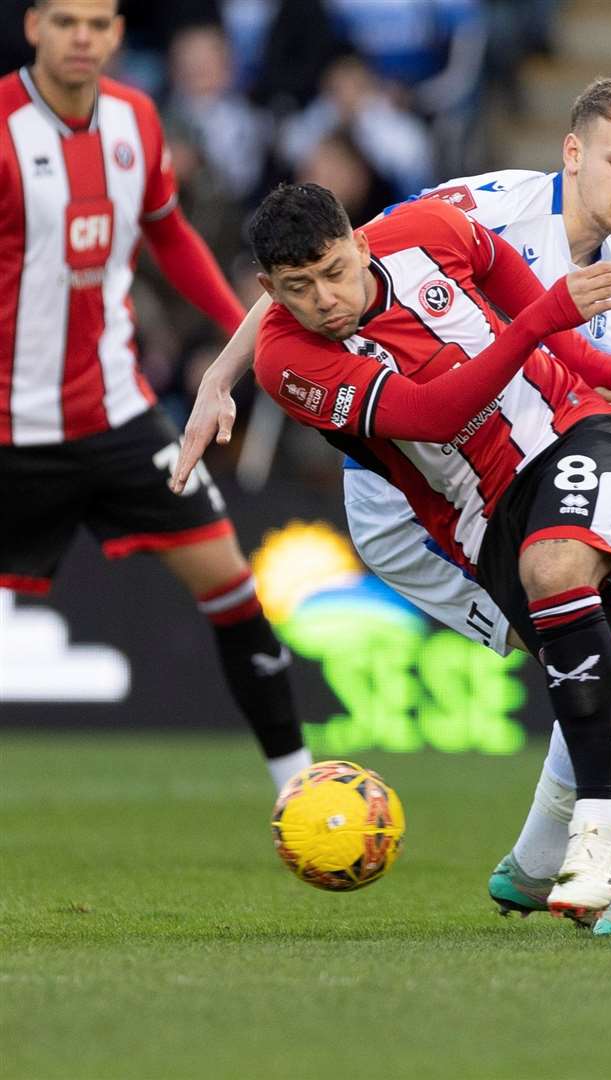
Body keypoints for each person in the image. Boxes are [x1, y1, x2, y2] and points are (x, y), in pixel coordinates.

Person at [177, 78, 611, 937]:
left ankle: (539, 870)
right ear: (572, 154)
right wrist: (220, 375)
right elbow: (324, 263)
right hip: (421, 507)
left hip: (511, 483)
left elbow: (568, 429)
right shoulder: (489, 208)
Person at [246, 183, 611, 923]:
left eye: (334, 271)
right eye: (298, 288)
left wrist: (590, 361)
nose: (325, 299)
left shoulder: (429, 227)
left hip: (571, 430)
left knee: (554, 570)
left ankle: (598, 833)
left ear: (360, 243)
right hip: (483, 518)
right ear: (269, 290)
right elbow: (435, 414)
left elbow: (505, 277)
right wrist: (545, 318)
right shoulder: (285, 361)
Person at [0, 0, 309, 791]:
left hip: (119, 415)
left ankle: (300, 788)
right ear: (33, 26)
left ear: (117, 34)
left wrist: (244, 327)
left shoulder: (137, 121)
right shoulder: (3, 127)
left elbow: (167, 231)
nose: (82, 37)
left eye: (98, 23)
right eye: (65, 20)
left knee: (232, 584)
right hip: (9, 428)